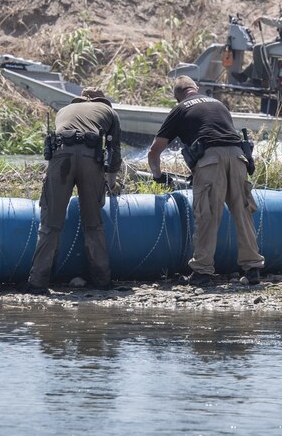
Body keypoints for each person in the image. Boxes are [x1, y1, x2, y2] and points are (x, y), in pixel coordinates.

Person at [147, 76, 264, 284]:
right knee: (243, 211)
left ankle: (202, 270)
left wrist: (158, 176)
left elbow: (154, 150)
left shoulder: (180, 109)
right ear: (196, 88)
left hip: (211, 160)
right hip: (238, 158)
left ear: (177, 97)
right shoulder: (218, 103)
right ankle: (253, 268)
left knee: (207, 214)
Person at [25, 87, 123, 293]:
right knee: (93, 223)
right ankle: (102, 280)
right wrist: (112, 184)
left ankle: (38, 281)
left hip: (61, 158)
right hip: (90, 159)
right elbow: (114, 152)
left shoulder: (63, 111)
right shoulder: (109, 112)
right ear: (102, 100)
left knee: (50, 223)